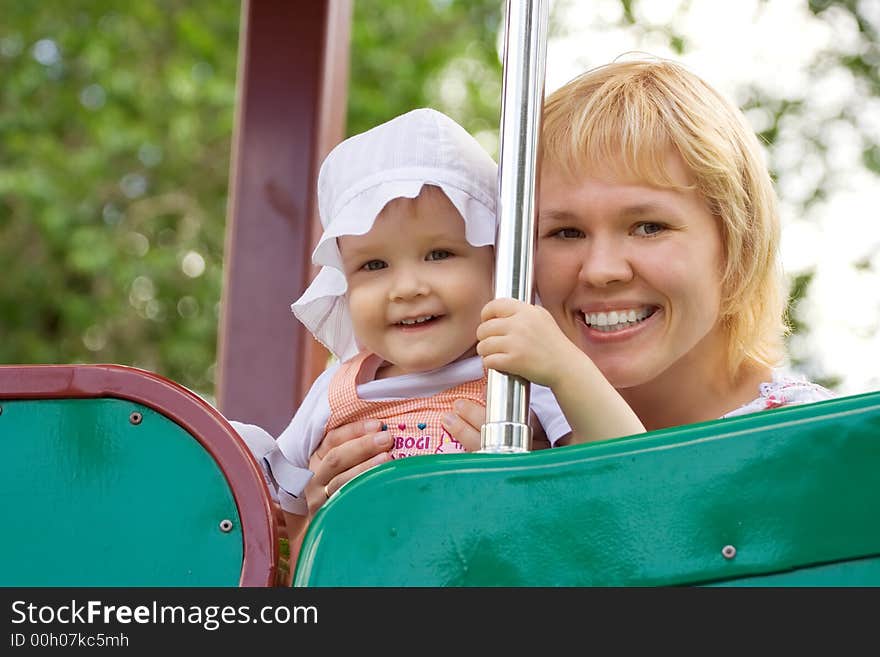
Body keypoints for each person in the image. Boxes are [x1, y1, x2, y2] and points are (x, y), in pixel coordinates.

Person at [303, 56, 835, 518]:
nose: (602, 270)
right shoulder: (494, 421)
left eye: (648, 226)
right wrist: (326, 520)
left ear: (736, 245)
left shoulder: (810, 446)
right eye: (565, 232)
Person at [231, 108, 572, 555]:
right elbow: (274, 506)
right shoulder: (336, 392)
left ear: (496, 265)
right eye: (374, 265)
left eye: (439, 254)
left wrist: (545, 470)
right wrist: (314, 507)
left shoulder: (518, 376)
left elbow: (604, 479)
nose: (408, 288)